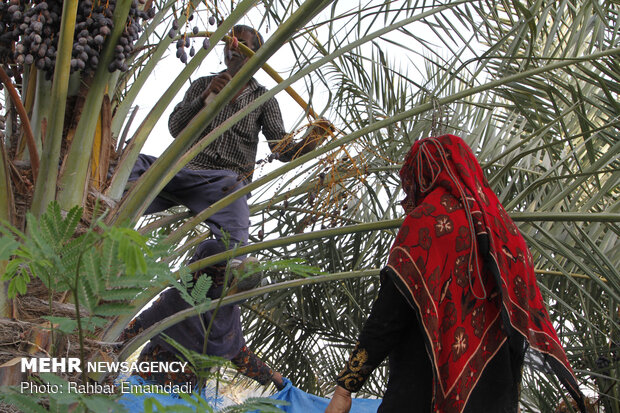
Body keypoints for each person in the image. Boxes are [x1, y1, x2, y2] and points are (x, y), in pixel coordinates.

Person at [122, 25, 331, 391]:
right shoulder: (205, 81)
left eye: (245, 47)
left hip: (224, 182)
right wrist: (206, 97)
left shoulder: (265, 99)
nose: (235, 51)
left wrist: (312, 140)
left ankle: (233, 262)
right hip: (183, 169)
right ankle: (100, 215)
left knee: (234, 234)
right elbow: (174, 127)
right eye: (231, 45)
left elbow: (281, 150)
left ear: (257, 57)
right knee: (130, 167)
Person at [325, 135, 586, 413]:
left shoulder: (424, 224)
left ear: (420, 175)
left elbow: (387, 316)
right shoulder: (505, 234)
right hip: (493, 399)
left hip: (421, 393)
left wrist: (345, 388)